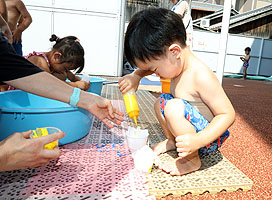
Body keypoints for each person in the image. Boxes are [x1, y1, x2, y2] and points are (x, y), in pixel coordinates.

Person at [0, 14, 124, 172]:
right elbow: (35, 82)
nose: (67, 72)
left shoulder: (53, 65)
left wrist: (84, 94)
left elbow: (63, 79)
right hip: (20, 100)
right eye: (66, 68)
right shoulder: (38, 61)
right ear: (57, 56)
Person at [119, 8, 235, 175]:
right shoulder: (175, 62)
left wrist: (198, 140)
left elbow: (228, 114)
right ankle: (172, 141)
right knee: (161, 102)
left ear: (174, 52)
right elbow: (152, 67)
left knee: (173, 106)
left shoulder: (200, 76)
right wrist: (136, 75)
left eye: (155, 69)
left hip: (206, 139)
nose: (155, 73)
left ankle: (192, 160)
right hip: (188, 136)